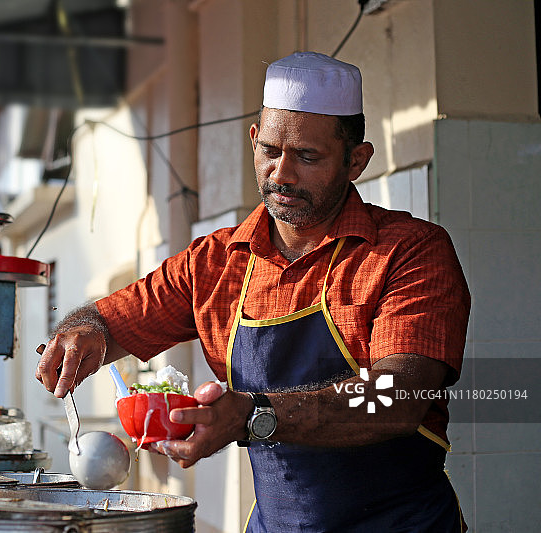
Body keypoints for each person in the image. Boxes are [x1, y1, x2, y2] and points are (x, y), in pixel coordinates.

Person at [36, 51, 470, 532]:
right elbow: (110, 323)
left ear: (356, 161)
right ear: (253, 141)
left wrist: (253, 415)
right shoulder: (214, 262)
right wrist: (82, 332)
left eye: (308, 157)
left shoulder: (410, 252)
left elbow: (400, 396)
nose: (282, 174)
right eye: (270, 150)